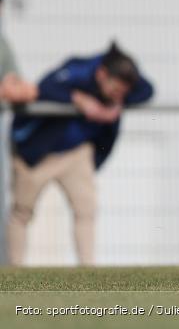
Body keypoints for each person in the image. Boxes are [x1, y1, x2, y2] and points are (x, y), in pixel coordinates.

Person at [7, 42, 153, 266]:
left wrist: (116, 105)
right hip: (37, 154)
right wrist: (79, 100)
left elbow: (147, 90)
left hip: (76, 152)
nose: (117, 95)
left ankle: (88, 269)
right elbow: (45, 87)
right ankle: (15, 270)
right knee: (22, 212)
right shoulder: (78, 69)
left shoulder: (122, 81)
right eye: (116, 90)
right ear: (102, 74)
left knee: (86, 210)